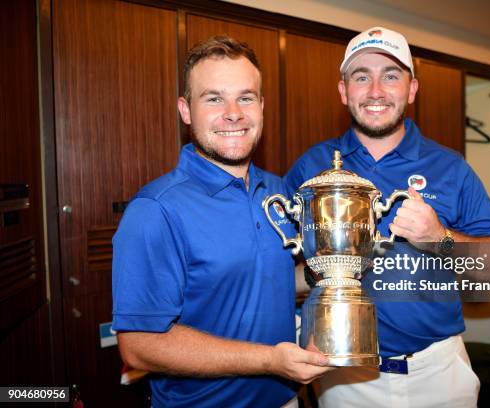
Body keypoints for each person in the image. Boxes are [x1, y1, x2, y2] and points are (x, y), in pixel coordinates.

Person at [285, 27, 490, 408]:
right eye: (362, 77)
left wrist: (439, 238)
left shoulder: (450, 167)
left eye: (391, 76)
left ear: (411, 89)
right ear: (344, 91)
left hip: (438, 371)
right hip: (345, 377)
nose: (376, 90)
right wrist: (325, 272)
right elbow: (275, 273)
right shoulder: (311, 167)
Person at [112, 36, 332, 408]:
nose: (233, 112)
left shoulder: (277, 192)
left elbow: (268, 279)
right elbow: (139, 346)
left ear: (261, 106)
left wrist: (332, 269)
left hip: (284, 400)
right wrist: (269, 360)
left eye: (245, 97)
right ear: (186, 110)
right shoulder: (156, 210)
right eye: (214, 98)